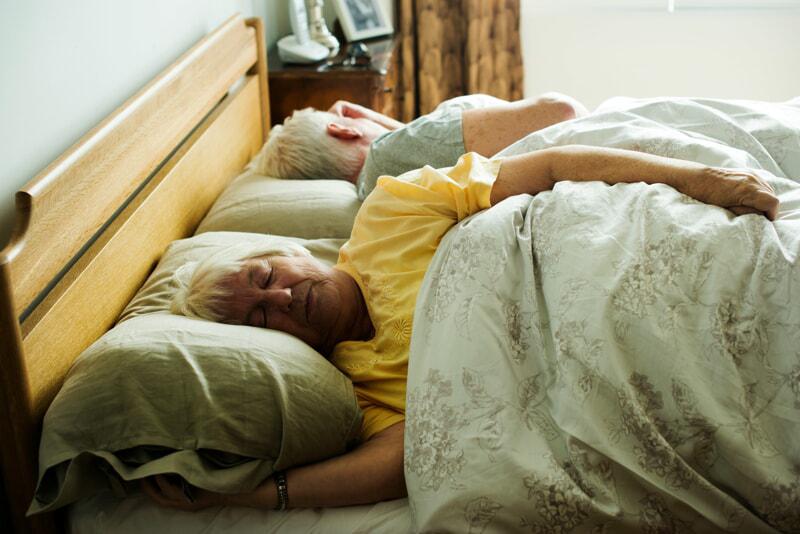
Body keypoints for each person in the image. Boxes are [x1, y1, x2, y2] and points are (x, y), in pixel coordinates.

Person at [143, 102, 780, 512]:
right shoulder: (358, 387)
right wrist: (253, 496)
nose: (280, 297)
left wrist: (700, 182)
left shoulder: (389, 209)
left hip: (612, 255)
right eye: (260, 317)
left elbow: (550, 165)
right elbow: (397, 466)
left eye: (265, 275)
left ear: (287, 251)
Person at [253, 93, 588, 199]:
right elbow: (561, 112)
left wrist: (372, 123)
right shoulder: (388, 154)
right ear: (341, 129)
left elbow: (439, 148)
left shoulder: (372, 190)